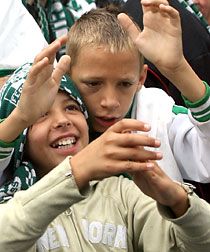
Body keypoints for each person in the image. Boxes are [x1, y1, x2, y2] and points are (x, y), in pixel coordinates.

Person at [0, 37, 210, 252]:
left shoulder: (122, 193)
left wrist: (180, 203)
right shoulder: (9, 200)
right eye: (42, 115)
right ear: (20, 135)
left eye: (72, 107)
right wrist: (74, 172)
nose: (63, 120)